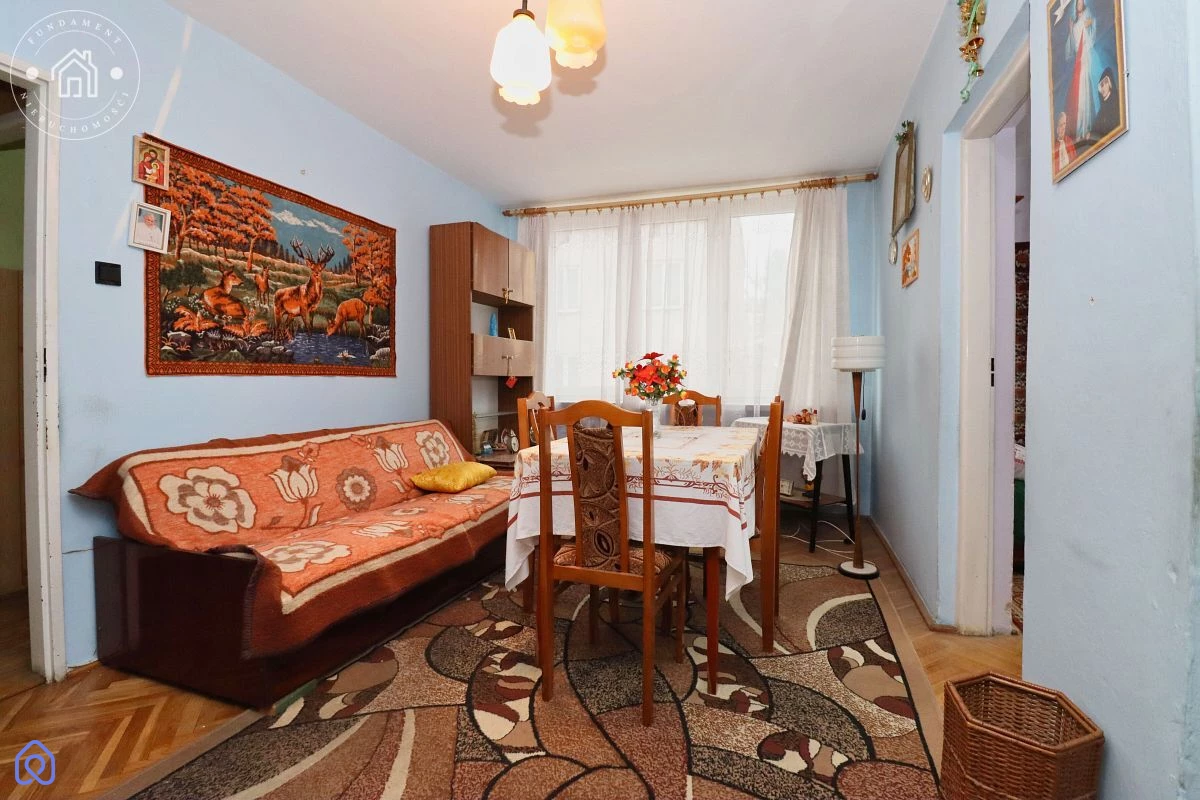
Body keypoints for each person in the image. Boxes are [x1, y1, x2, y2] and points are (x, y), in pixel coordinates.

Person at [1064, 0, 1101, 142]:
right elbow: (1072, 47)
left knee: (1085, 91)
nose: (1079, 4)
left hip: (1085, 57)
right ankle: (1079, 130)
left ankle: (1086, 128)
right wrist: (1071, 29)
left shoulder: (1087, 14)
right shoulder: (1075, 23)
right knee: (1078, 93)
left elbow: (1092, 25)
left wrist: (1090, 24)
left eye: (1081, 2)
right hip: (1078, 60)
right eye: (1077, 3)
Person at [1091, 67, 1121, 140]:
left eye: (1105, 83)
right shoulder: (1101, 110)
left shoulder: (1117, 103)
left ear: (1110, 84)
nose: (1103, 88)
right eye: (1101, 85)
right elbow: (1095, 129)